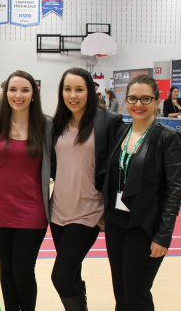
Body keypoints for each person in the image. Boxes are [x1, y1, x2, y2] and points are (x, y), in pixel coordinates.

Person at [103, 75, 181, 311]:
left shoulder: (167, 137)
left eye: (146, 98)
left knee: (137, 292)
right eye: (133, 98)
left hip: (145, 226)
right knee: (121, 290)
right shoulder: (121, 132)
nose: (138, 104)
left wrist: (163, 235)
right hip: (116, 223)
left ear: (157, 101)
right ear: (125, 101)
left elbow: (175, 189)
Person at [50, 67, 123, 310]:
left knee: (59, 277)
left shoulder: (109, 121)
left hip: (89, 212)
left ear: (90, 92)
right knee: (72, 275)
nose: (73, 95)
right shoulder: (57, 123)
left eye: (79, 89)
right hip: (58, 210)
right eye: (67, 89)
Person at [0, 71, 52, 311]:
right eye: (13, 90)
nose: (18, 95)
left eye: (25, 90)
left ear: (34, 94)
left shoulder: (47, 125)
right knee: (6, 269)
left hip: (32, 210)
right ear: (5, 93)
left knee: (23, 270)